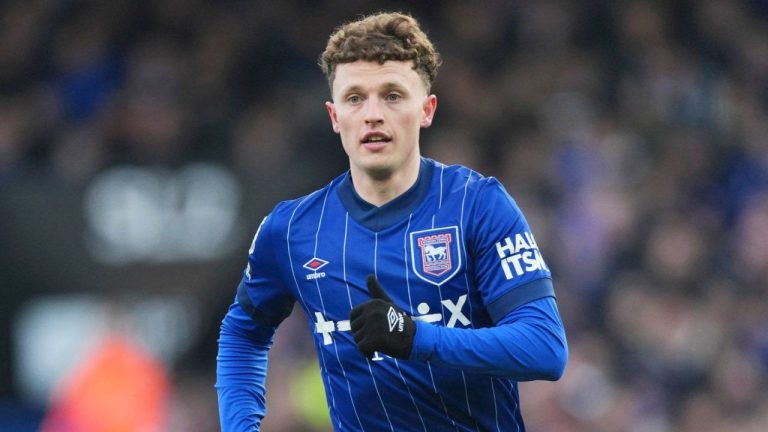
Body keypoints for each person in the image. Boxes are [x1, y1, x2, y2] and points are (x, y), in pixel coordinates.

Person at [216, 11, 567, 431]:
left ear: (427, 109)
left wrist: (416, 337)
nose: (373, 114)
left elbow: (545, 348)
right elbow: (241, 336)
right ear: (334, 116)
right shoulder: (290, 230)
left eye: (393, 95)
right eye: (354, 98)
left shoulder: (478, 205)